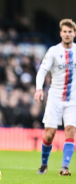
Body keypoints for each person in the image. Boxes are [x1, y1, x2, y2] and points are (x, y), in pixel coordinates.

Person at [34, 19, 76, 176]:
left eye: (70, 31)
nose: (67, 34)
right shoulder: (53, 51)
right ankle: (44, 164)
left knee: (70, 130)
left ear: (74, 33)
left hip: (73, 100)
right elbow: (42, 70)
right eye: (64, 31)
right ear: (60, 33)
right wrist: (39, 89)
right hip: (55, 98)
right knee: (49, 134)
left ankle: (64, 167)